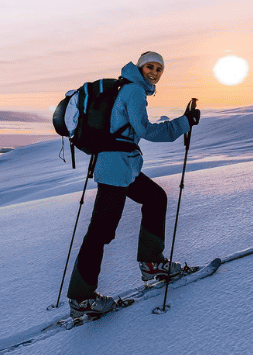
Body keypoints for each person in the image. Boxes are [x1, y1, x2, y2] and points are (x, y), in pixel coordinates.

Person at [66, 50, 200, 317]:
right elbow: (145, 130)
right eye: (149, 66)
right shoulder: (134, 91)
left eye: (159, 69)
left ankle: (152, 262)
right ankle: (82, 297)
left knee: (154, 198)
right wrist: (183, 123)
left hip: (120, 167)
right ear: (139, 68)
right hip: (116, 170)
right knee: (100, 232)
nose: (154, 72)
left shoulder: (123, 88)